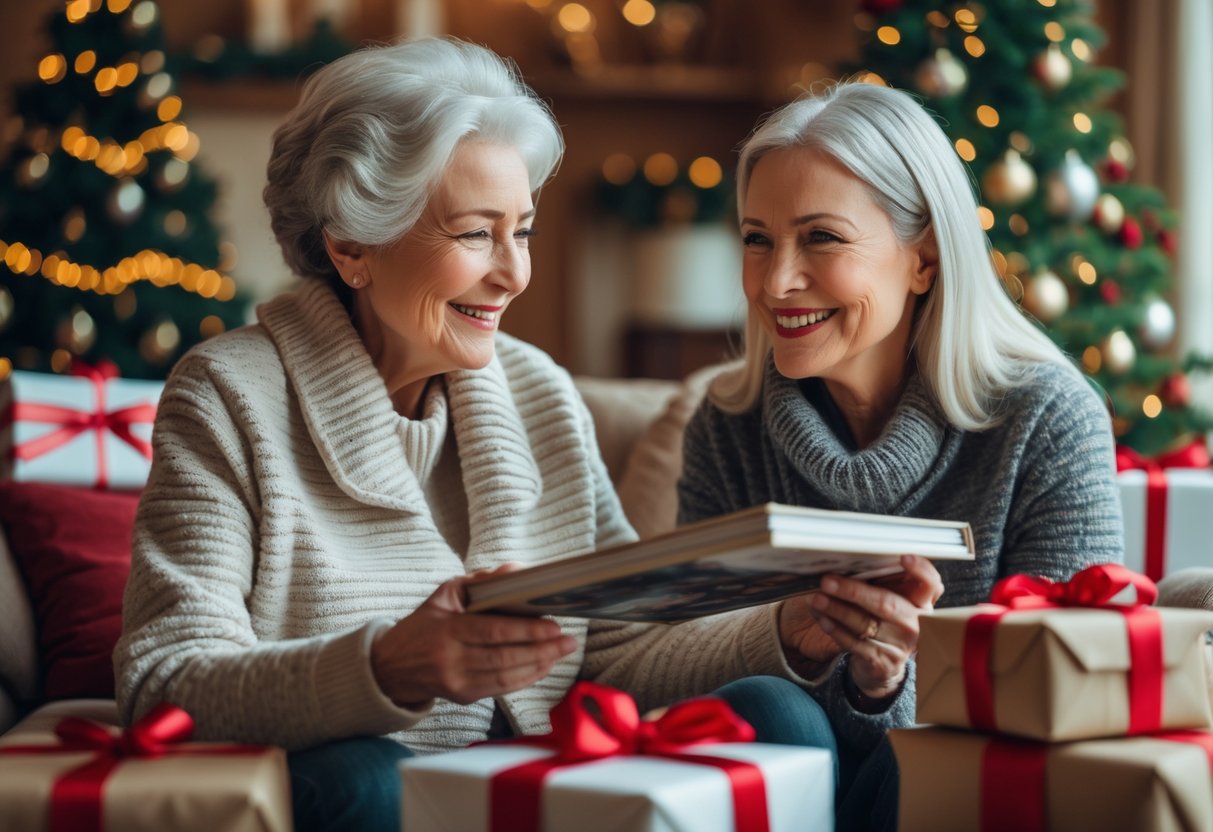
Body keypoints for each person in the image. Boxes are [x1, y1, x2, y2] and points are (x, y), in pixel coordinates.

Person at [114, 37, 837, 832]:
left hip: (550, 777)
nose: (513, 272)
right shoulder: (227, 395)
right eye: (473, 234)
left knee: (778, 711)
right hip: (371, 781)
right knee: (367, 779)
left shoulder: (536, 391)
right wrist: (385, 666)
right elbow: (167, 677)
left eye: (520, 231)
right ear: (351, 245)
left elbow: (610, 652)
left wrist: (784, 631)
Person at [674, 81, 1125, 829]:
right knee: (769, 708)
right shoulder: (727, 426)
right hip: (770, 787)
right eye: (757, 239)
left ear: (923, 260)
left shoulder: (1045, 420)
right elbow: (688, 680)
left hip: (962, 793)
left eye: (820, 237)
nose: (776, 280)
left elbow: (1070, 709)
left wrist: (889, 687)